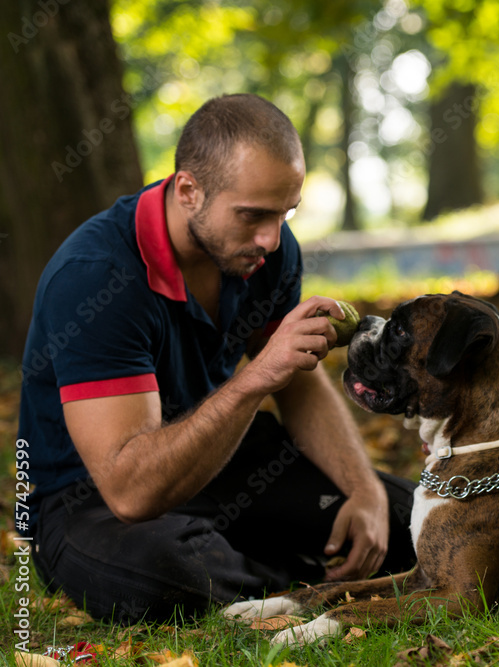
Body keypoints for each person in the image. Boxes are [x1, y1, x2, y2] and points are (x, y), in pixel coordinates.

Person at [17, 94, 416, 623]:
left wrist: (362, 490)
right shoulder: (96, 275)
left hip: (221, 459)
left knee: (410, 519)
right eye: (253, 215)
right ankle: (296, 584)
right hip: (90, 499)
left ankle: (263, 574)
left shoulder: (263, 251)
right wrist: (255, 380)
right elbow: (131, 492)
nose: (272, 239)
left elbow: (298, 382)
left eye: (285, 213)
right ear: (188, 190)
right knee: (168, 569)